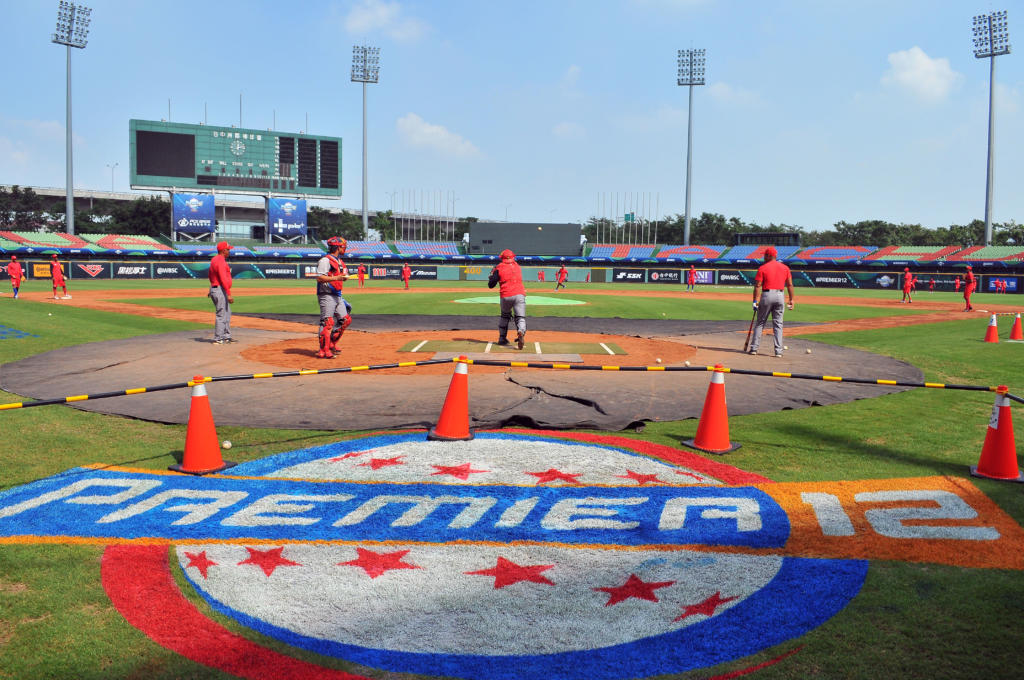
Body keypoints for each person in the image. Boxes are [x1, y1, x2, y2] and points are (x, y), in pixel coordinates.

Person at [748, 246, 795, 358]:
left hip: (767, 295)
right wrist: (792, 299)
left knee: (760, 323)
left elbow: (758, 286)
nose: (763, 257)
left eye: (765, 255)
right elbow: (789, 285)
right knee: (778, 324)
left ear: (769, 256)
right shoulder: (785, 268)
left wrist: (755, 300)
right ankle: (778, 351)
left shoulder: (763, 268)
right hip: (780, 295)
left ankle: (754, 348)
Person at [315, 237, 352, 359]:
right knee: (327, 322)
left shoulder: (340, 261)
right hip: (326, 294)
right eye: (343, 246)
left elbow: (341, 275)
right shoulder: (325, 261)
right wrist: (337, 278)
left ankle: (331, 343)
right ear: (337, 247)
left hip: (337, 295)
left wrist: (344, 277)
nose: (344, 248)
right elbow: (320, 278)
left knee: (345, 320)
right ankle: (323, 350)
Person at [488, 249, 527, 349]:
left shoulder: (499, 267)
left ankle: (502, 338)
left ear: (502, 258)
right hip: (519, 294)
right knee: (520, 317)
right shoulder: (517, 266)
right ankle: (521, 331)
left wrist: (491, 277)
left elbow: (491, 285)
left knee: (505, 316)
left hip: (506, 295)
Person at [208, 241, 235, 344]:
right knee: (222, 314)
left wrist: (211, 287)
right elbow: (223, 278)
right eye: (228, 249)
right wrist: (228, 293)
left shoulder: (215, 259)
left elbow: (210, 274)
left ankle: (226, 336)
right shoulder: (220, 261)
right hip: (220, 289)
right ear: (224, 250)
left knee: (227, 312)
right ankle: (218, 338)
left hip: (216, 288)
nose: (229, 251)